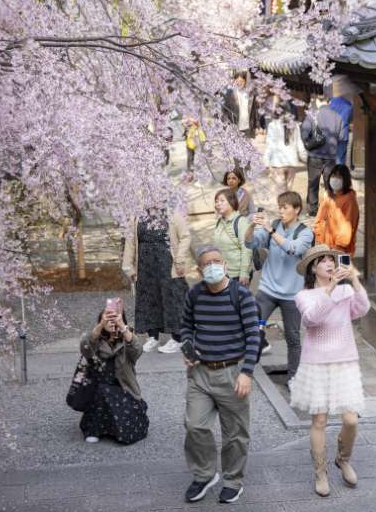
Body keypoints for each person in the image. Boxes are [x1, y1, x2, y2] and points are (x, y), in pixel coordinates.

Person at [179, 245, 260, 504]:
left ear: (225, 265)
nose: (212, 266)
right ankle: (204, 474)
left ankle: (233, 480)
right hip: (200, 372)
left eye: (217, 261)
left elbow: (253, 336)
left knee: (235, 433)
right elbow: (186, 326)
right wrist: (187, 346)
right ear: (200, 270)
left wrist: (247, 373)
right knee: (195, 425)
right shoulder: (194, 294)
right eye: (207, 263)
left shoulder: (241, 295)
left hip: (232, 373)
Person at [291, 245, 370, 497]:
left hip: (345, 360)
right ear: (313, 268)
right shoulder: (304, 296)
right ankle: (320, 471)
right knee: (320, 420)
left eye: (331, 260)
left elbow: (362, 309)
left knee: (350, 419)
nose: (328, 263)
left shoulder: (346, 289)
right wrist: (331, 289)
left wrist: (354, 279)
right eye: (322, 261)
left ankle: (343, 458)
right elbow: (313, 319)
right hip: (315, 363)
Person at [244, 191, 314, 382]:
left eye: (285, 207)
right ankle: (246, 372)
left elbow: (294, 249)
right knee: (252, 329)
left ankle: (293, 378)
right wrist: (251, 226)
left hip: (292, 294)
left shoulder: (305, 232)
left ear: (297, 209)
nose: (281, 211)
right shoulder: (273, 225)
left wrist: (271, 232)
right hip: (267, 290)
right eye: (279, 207)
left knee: (293, 339)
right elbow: (250, 243)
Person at [122, 208, 191, 353]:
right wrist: (129, 267)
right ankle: (152, 336)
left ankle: (177, 338)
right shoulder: (136, 216)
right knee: (148, 299)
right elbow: (130, 242)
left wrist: (180, 260)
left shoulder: (172, 213)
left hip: (168, 263)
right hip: (145, 265)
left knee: (172, 299)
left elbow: (185, 236)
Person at [79, 306, 149, 445]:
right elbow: (85, 348)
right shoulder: (96, 339)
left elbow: (137, 350)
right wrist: (100, 325)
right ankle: (94, 430)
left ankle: (108, 428)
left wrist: (122, 326)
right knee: (102, 391)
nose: (112, 321)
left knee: (129, 432)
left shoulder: (126, 340)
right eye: (108, 318)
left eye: (115, 318)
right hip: (98, 392)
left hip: (125, 391)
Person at [301, 98, 346, 217]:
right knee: (330, 184)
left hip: (314, 155)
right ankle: (331, 209)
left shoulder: (312, 115)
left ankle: (312, 210)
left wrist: (310, 141)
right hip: (330, 156)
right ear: (329, 101)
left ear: (317, 101)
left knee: (313, 183)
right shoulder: (338, 116)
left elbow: (304, 132)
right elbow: (342, 136)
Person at [313, 164, 360, 255]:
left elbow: (347, 225)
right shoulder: (328, 195)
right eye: (333, 176)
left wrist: (339, 246)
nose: (335, 179)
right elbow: (320, 218)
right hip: (325, 245)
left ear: (345, 180)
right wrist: (318, 237)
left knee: (342, 268)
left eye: (338, 177)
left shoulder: (349, 199)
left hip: (342, 249)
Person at [212, 188, 251, 287]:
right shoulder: (219, 222)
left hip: (237, 276)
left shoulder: (241, 222)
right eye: (216, 201)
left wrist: (244, 273)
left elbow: (247, 249)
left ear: (231, 202)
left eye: (222, 201)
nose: (218, 204)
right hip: (222, 274)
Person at [263, 98, 301, 194]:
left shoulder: (272, 125)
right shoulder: (295, 125)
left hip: (278, 163)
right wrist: (305, 158)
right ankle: (288, 206)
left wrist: (266, 162)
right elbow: (300, 145)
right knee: (289, 191)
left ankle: (282, 208)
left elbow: (269, 146)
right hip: (292, 162)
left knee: (280, 192)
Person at [327, 75, 357, 167]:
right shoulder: (349, 105)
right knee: (340, 157)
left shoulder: (331, 103)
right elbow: (351, 119)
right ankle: (339, 176)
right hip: (343, 133)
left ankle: (330, 176)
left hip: (332, 132)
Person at [223, 73, 259, 138]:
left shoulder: (250, 94)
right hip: (234, 125)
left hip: (247, 126)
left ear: (245, 82)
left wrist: (256, 126)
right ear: (234, 81)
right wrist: (227, 124)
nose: (239, 83)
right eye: (237, 81)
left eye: (241, 81)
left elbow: (254, 111)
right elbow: (224, 110)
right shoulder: (229, 94)